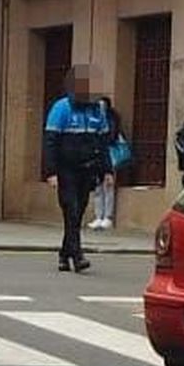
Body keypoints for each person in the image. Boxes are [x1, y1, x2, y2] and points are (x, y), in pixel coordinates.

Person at [42, 67, 111, 274]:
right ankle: (78, 256)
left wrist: (107, 171)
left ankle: (64, 254)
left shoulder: (98, 110)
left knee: (77, 213)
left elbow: (103, 143)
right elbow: (50, 142)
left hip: (87, 170)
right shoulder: (61, 108)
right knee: (70, 210)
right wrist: (51, 172)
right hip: (66, 170)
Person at [88, 96, 123, 232]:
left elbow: (112, 136)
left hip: (108, 154)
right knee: (97, 187)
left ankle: (108, 216)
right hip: (97, 156)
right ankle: (98, 216)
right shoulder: (94, 118)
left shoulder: (111, 119)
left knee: (108, 186)